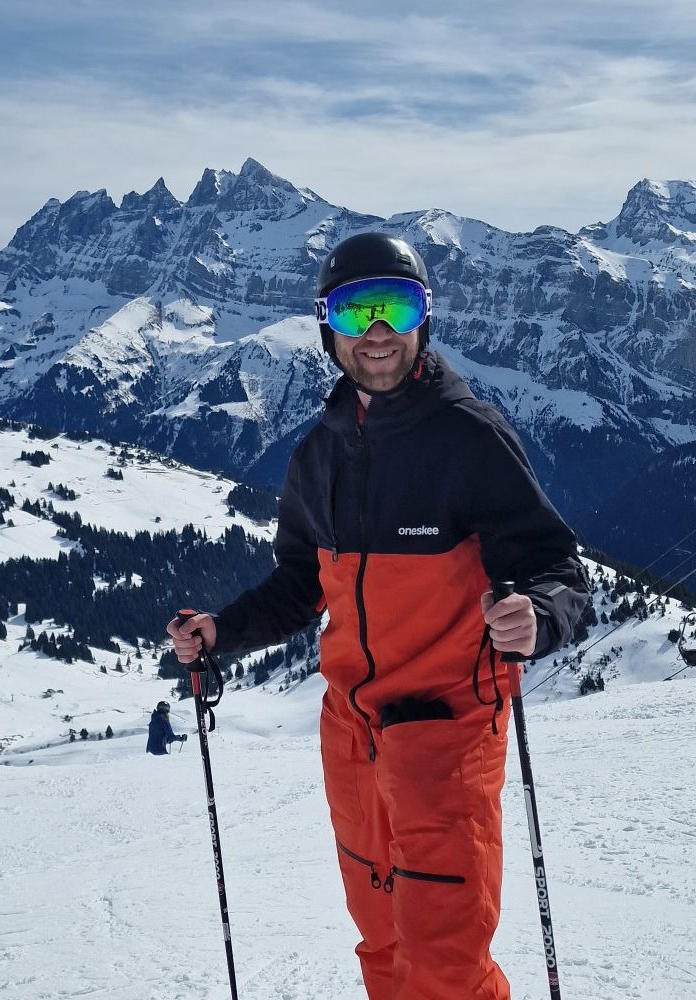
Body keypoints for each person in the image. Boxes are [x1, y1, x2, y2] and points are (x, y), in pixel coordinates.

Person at [167, 233, 589, 1000]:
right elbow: (300, 583)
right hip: (352, 742)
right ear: (326, 328)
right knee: (384, 945)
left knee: (446, 964)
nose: (377, 331)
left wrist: (542, 616)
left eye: (396, 307)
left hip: (449, 733)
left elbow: (557, 567)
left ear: (424, 318)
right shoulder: (318, 455)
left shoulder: (470, 438)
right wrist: (221, 633)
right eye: (353, 312)